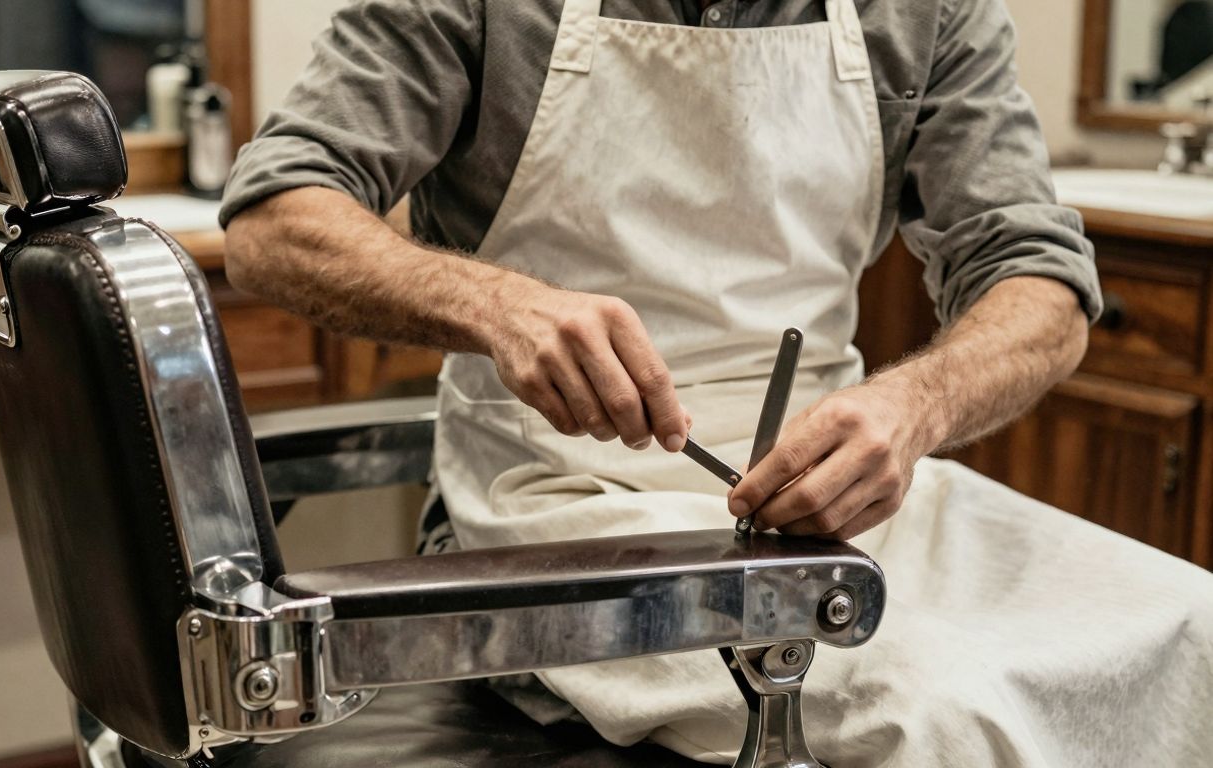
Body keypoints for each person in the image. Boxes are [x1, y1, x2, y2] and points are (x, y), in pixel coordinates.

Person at [220, 1, 1213, 764]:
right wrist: (501, 309)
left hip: (847, 497)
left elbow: (1037, 281)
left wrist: (910, 410)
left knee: (1188, 627)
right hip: (557, 507)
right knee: (928, 709)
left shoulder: (921, 14)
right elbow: (272, 222)